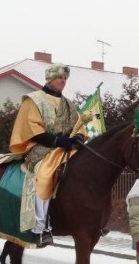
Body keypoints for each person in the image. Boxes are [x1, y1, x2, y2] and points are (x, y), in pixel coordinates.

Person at [8, 63, 86, 247]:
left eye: (65, 78)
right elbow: (33, 130)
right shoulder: (33, 100)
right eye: (60, 77)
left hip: (67, 147)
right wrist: (59, 142)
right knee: (43, 176)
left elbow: (79, 125)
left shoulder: (69, 104)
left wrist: (79, 137)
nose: (63, 81)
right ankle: (40, 228)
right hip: (41, 147)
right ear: (50, 78)